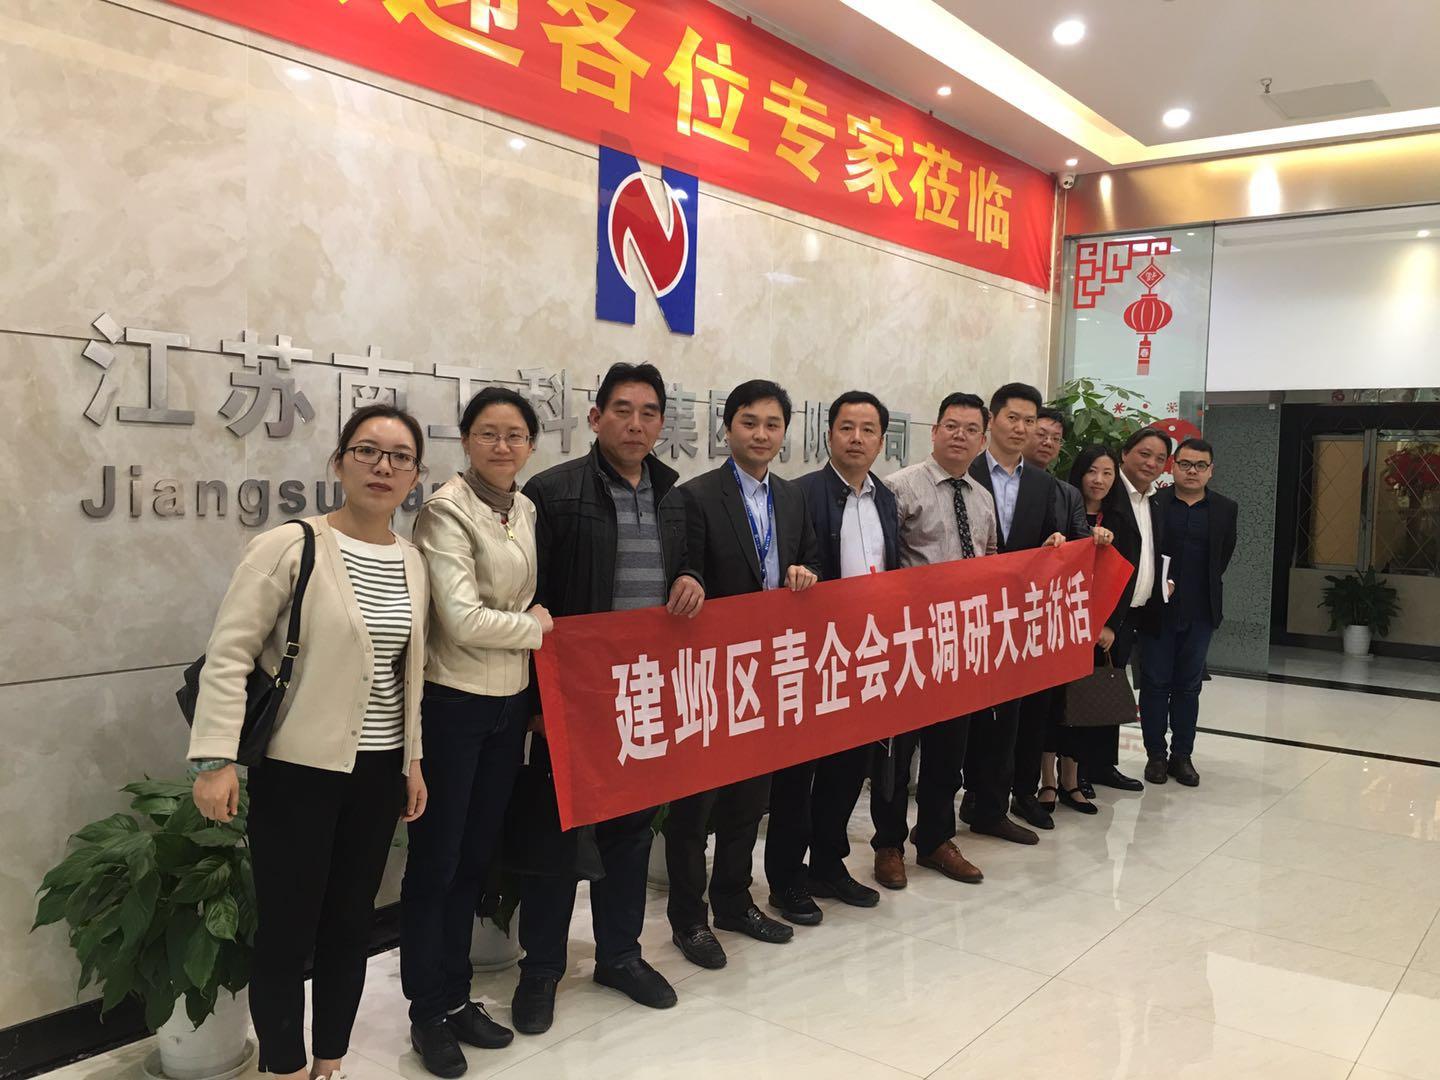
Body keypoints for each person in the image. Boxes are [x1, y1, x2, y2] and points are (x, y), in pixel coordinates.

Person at [189, 404, 430, 1080]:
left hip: (377, 771)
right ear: (338, 463)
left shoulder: (412, 561)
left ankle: (330, 1061)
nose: (383, 467)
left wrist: (412, 759)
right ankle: (285, 1068)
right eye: (367, 450)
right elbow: (229, 655)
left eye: (400, 457)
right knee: (287, 929)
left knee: (350, 925)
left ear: (416, 476)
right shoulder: (289, 546)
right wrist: (215, 760)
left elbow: (408, 672)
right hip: (298, 771)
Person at [510, 363, 704, 1035]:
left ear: (662, 424)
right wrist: (537, 703)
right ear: (595, 418)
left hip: (641, 693)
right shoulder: (553, 493)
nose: (635, 424)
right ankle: (541, 968)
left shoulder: (673, 495)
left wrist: (690, 576)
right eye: (622, 410)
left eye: (649, 413)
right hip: (572, 696)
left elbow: (687, 561)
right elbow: (527, 600)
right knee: (556, 836)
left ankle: (620, 955)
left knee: (629, 834)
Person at [402, 388, 555, 1078]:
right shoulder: (445, 511)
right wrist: (534, 628)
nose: (502, 446)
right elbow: (461, 619)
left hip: (506, 705)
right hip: (453, 704)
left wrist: (523, 633)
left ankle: (456, 996)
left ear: (530, 446)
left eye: (515, 435)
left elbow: (512, 597)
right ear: (465, 441)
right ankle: (425, 1012)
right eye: (488, 433)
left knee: (472, 859)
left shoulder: (523, 508)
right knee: (435, 864)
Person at [668, 379, 820, 968]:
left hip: (768, 670)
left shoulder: (792, 497)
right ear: (727, 428)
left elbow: (810, 558)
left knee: (749, 799)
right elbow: (683, 569)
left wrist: (805, 572)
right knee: (694, 806)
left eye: (772, 424)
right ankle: (688, 919)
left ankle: (733, 900)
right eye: (749, 422)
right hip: (709, 672)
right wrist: (690, 581)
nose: (761, 434)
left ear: (785, 433)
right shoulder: (695, 495)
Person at [764, 391, 898, 920]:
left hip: (866, 653)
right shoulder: (798, 494)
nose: (856, 439)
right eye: (847, 428)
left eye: (868, 430)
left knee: (848, 769)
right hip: (811, 656)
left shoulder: (886, 499)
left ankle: (827, 864)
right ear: (828, 435)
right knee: (797, 774)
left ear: (882, 441)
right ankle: (785, 878)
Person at [871, 392, 995, 889]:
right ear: (934, 431)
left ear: (982, 440)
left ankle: (936, 839)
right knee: (897, 755)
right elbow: (881, 561)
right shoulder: (898, 488)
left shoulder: (982, 498)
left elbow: (990, 561)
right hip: (908, 643)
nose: (960, 435)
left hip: (960, 643)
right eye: (951, 425)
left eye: (971, 429)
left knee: (948, 751)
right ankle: (888, 844)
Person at [961, 383, 1067, 844]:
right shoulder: (965, 471)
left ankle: (991, 806)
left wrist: (1054, 545)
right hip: (965, 616)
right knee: (963, 718)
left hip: (1016, 619)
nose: (1021, 428)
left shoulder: (1043, 484)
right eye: (1013, 418)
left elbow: (1051, 539)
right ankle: (958, 804)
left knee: (1008, 716)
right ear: (992, 420)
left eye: (1029, 420)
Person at [1021, 410, 1114, 817]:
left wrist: (1091, 541)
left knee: (1056, 704)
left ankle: (1052, 784)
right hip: (1009, 614)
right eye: (1039, 433)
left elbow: (1080, 545)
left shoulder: (1066, 493)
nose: (1046, 442)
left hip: (1055, 618)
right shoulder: (988, 482)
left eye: (1055, 438)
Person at [1140, 437, 1238, 787]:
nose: (1192, 471)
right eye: (1184, 464)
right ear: (1173, 467)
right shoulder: (1154, 503)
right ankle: (1155, 755)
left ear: (1211, 470)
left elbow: (1223, 556)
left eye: (1200, 465)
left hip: (1200, 610)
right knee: (1154, 684)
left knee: (1188, 686)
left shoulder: (1225, 508)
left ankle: (1182, 755)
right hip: (1157, 610)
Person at [1044, 445, 1126, 814]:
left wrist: (1107, 623)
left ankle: (1072, 781)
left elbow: (1127, 574)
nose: (1099, 480)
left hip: (1096, 628)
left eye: (1107, 473)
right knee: (1051, 705)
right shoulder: (1060, 504)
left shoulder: (1120, 518)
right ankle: (1047, 781)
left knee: (1082, 705)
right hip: (1057, 624)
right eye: (1092, 471)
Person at [1092, 427, 1171, 791]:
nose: (1151, 463)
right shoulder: (1109, 495)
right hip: (1107, 615)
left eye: (1159, 458)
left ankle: (1103, 764)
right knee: (1093, 688)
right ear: (1125, 453)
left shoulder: (1154, 500)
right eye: (1144, 453)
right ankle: (1083, 769)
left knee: (1111, 686)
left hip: (1137, 611)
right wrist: (1107, 619)